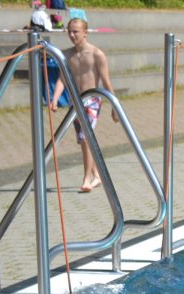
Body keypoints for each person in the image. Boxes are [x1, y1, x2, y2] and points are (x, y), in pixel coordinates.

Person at [49, 19, 119, 193]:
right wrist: (55, 99)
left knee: (86, 138)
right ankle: (96, 175)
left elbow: (106, 82)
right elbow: (62, 79)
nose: (72, 35)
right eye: (70, 32)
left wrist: (114, 106)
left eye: (76, 32)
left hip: (92, 100)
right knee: (83, 141)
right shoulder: (66, 55)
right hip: (75, 101)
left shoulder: (96, 54)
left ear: (85, 32)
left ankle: (86, 178)